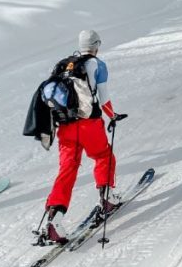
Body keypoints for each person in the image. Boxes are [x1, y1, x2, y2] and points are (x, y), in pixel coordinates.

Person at [34, 29, 124, 244]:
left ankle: (55, 217)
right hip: (89, 124)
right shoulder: (97, 65)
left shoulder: (63, 65)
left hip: (65, 125)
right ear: (96, 45)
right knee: (103, 156)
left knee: (67, 169)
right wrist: (113, 116)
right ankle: (107, 199)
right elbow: (103, 98)